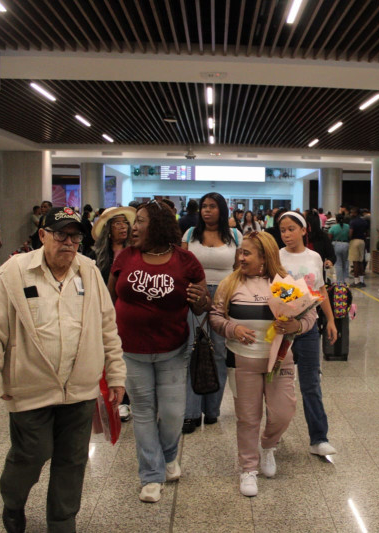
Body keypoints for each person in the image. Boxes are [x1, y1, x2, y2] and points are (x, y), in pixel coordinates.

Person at [0, 206, 126, 533]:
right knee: (32, 453)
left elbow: (107, 327)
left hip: (79, 389)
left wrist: (115, 374)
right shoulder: (15, 272)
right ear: (42, 236)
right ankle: (13, 502)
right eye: (61, 235)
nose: (69, 242)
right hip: (29, 388)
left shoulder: (89, 272)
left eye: (75, 236)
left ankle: (62, 521)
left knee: (72, 460)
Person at [108, 200, 209, 503]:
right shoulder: (125, 257)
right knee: (142, 411)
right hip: (131, 350)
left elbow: (203, 305)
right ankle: (151, 475)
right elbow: (110, 295)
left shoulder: (186, 260)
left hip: (172, 350)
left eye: (139, 221)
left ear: (159, 225)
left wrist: (200, 300)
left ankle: (167, 456)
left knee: (173, 412)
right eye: (133, 221)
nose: (132, 227)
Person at [209, 231, 315, 497]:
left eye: (247, 253)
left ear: (264, 258)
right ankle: (248, 468)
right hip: (242, 362)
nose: (240, 257)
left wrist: (296, 325)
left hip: (280, 361)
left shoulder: (281, 284)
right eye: (240, 252)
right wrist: (232, 329)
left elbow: (310, 315)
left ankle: (268, 447)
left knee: (283, 413)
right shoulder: (230, 283)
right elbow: (215, 317)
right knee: (247, 418)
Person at [277, 212, 338, 457]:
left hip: (309, 328)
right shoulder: (276, 256)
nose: (286, 234)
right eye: (282, 230)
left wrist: (331, 320)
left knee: (311, 383)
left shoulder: (314, 257)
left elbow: (320, 289)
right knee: (277, 384)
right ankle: (274, 432)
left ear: (304, 230)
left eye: (291, 229)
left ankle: (319, 438)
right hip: (280, 328)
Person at [181, 193, 242, 434]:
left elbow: (239, 269)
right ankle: (191, 412)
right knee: (192, 351)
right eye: (204, 206)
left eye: (212, 207)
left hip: (224, 296)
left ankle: (213, 410)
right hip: (194, 295)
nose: (207, 211)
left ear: (222, 209)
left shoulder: (235, 236)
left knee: (218, 353)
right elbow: (182, 265)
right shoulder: (190, 235)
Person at [90, 206, 136, 421]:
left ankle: (128, 399)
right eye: (117, 223)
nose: (122, 227)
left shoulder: (136, 251)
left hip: (128, 311)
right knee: (111, 355)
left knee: (127, 356)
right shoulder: (97, 256)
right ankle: (118, 399)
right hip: (106, 310)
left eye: (125, 223)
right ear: (108, 229)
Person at [348, 208, 369, 287]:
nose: (351, 214)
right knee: (361, 261)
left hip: (355, 241)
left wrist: (349, 239)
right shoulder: (364, 222)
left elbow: (350, 233)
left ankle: (356, 282)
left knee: (355, 262)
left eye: (352, 212)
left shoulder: (352, 222)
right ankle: (362, 281)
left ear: (355, 213)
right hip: (362, 241)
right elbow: (367, 233)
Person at [328, 213, 350, 284]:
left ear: (336, 220)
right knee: (345, 262)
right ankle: (345, 279)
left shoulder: (333, 227)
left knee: (338, 264)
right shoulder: (347, 226)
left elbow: (330, 237)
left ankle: (339, 281)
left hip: (336, 244)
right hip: (346, 244)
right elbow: (350, 235)